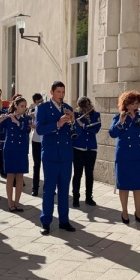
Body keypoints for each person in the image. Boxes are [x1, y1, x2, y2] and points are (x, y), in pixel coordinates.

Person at [36, 81, 81, 235]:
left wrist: (73, 121)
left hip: (66, 155)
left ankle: (64, 220)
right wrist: (57, 124)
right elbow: (40, 129)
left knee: (64, 189)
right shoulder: (42, 108)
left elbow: (78, 133)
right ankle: (46, 222)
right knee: (49, 189)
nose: (61, 95)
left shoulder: (68, 108)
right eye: (58, 92)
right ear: (52, 92)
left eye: (63, 92)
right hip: (50, 155)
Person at [109, 90, 140, 224]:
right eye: (133, 104)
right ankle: (124, 211)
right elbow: (112, 133)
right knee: (124, 185)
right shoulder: (118, 117)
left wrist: (137, 119)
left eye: (137, 103)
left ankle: (138, 211)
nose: (136, 106)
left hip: (139, 155)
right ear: (126, 104)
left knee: (138, 185)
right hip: (125, 156)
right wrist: (120, 123)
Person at [0, 96, 31, 211]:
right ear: (15, 106)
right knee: (10, 175)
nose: (24, 108)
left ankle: (17, 203)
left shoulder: (26, 118)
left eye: (25, 106)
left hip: (21, 149)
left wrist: (17, 121)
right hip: (10, 149)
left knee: (20, 176)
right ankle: (10, 203)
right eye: (22, 106)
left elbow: (26, 129)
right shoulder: (8, 117)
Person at [72, 96, 101, 207]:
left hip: (91, 149)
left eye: (88, 105)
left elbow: (95, 129)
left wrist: (84, 124)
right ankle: (75, 197)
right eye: (83, 106)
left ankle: (89, 197)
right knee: (77, 174)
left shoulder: (96, 115)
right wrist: (78, 123)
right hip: (78, 149)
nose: (86, 108)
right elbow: (76, 131)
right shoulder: (76, 115)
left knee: (89, 174)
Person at [30, 93, 44, 196]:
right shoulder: (32, 112)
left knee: (47, 165)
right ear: (34, 103)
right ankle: (35, 188)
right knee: (36, 165)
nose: (41, 104)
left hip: (45, 141)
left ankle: (50, 188)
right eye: (39, 102)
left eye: (42, 101)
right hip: (36, 140)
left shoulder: (45, 111)